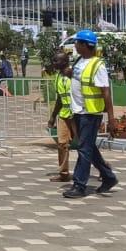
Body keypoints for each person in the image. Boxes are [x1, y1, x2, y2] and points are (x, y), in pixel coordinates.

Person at [63, 30, 119, 199]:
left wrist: (111, 118)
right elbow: (78, 78)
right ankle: (108, 177)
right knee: (88, 148)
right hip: (79, 112)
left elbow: (106, 92)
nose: (75, 45)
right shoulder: (80, 60)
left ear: (86, 45)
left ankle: (79, 185)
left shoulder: (98, 65)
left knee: (84, 149)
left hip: (90, 113)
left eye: (78, 43)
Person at [45, 53, 77, 183]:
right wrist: (53, 117)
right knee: (62, 144)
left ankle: (104, 168)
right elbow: (60, 98)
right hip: (64, 114)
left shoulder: (74, 75)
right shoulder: (58, 77)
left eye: (56, 60)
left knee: (85, 145)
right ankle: (64, 173)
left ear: (65, 61)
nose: (54, 63)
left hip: (77, 114)